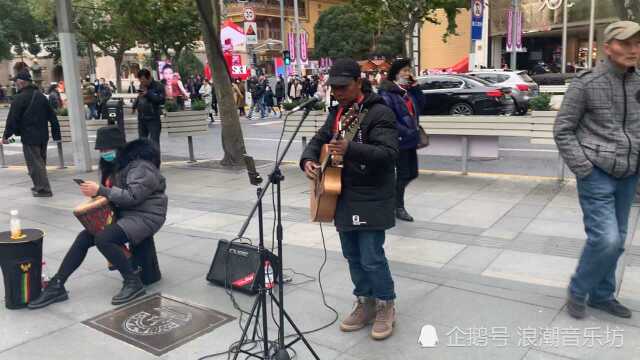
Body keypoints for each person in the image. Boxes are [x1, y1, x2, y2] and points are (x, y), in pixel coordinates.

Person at [300, 59, 398, 340]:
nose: (338, 92)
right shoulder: (337, 112)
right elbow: (318, 141)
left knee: (371, 256)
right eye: (334, 87)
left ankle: (385, 303)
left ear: (358, 82)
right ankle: (364, 301)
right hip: (341, 194)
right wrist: (307, 159)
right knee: (352, 255)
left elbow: (389, 154)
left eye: (343, 87)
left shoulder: (380, 113)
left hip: (371, 195)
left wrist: (351, 148)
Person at [554, 21, 640, 320]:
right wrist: (584, 169)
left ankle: (602, 295)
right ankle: (578, 290)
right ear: (607, 48)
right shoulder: (587, 82)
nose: (633, 50)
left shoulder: (639, 81)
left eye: (637, 44)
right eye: (625, 43)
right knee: (606, 239)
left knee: (618, 238)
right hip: (597, 172)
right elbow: (563, 129)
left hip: (629, 173)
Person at [28, 127, 168, 309]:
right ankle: (57, 284)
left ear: (119, 147)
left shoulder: (140, 166)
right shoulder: (114, 165)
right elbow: (113, 196)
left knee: (104, 238)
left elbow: (133, 196)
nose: (104, 154)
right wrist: (96, 198)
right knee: (84, 237)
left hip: (146, 215)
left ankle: (133, 282)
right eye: (101, 151)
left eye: (106, 149)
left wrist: (100, 190)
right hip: (125, 213)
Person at [2, 71, 61, 197]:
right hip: (43, 136)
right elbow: (52, 116)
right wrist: (56, 135)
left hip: (29, 136)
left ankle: (44, 189)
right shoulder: (40, 95)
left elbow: (12, 118)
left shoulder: (19, 98)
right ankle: (38, 185)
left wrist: (6, 135)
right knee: (40, 163)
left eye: (16, 82)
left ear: (21, 82)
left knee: (35, 164)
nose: (15, 84)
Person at [378, 59, 423, 222]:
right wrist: (406, 132)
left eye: (408, 70)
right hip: (399, 139)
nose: (407, 73)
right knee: (404, 173)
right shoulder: (387, 93)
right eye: (404, 70)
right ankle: (398, 207)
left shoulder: (407, 91)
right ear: (396, 73)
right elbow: (389, 118)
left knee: (412, 173)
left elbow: (422, 106)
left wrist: (416, 87)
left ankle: (392, 199)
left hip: (410, 139)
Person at [133, 69, 166, 147]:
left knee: (154, 143)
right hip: (141, 119)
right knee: (142, 143)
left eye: (144, 80)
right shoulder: (141, 85)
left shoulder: (159, 86)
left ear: (149, 78)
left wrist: (148, 94)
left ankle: (155, 159)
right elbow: (140, 97)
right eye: (140, 80)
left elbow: (161, 100)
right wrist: (135, 105)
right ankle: (145, 159)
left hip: (153, 119)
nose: (142, 82)